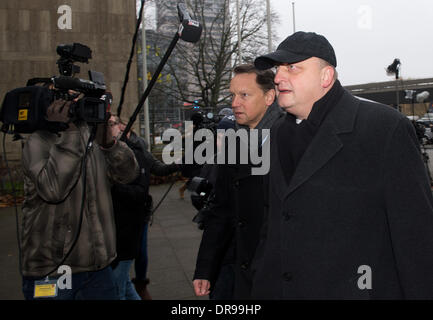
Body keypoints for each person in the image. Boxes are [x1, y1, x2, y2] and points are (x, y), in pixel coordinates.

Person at [250, 31, 433, 299]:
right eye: (278, 69)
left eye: (292, 68)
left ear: (326, 76)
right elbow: (276, 222)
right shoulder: (278, 132)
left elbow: (416, 235)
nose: (278, 78)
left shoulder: (383, 128)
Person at [21, 97, 139, 300]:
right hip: (54, 269)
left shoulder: (90, 143)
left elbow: (128, 175)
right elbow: (53, 190)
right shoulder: (37, 141)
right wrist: (70, 133)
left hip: (98, 268)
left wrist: (109, 143)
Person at [193, 63, 284, 299]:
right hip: (232, 265)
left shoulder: (291, 140)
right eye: (232, 95)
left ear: (269, 97)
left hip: (274, 274)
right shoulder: (235, 141)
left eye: (244, 95)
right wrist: (205, 267)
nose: (234, 103)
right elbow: (221, 209)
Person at [111, 118, 181, 300]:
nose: (111, 127)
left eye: (113, 123)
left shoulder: (138, 149)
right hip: (116, 218)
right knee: (122, 276)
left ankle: (141, 283)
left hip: (135, 215)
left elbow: (157, 168)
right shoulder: (107, 150)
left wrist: (179, 164)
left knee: (138, 255)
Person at [108, 115, 146, 300]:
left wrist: (113, 187)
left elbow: (140, 192)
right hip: (110, 236)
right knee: (123, 286)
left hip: (125, 233)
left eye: (113, 124)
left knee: (117, 289)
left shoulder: (133, 152)